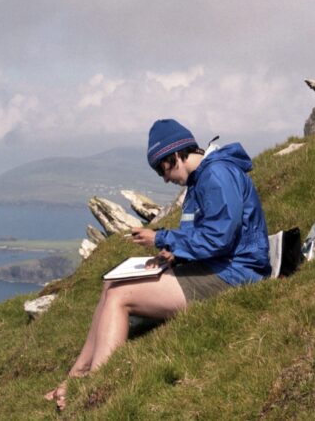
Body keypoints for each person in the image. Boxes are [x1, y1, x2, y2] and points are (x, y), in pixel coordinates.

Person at [45, 119, 271, 411]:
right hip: (219, 266)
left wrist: (162, 238)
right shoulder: (203, 178)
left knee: (120, 297)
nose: (165, 179)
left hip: (236, 273)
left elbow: (220, 239)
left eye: (163, 169)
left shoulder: (216, 175)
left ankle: (92, 390)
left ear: (176, 155)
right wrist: (174, 254)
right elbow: (208, 234)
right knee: (112, 283)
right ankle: (75, 377)